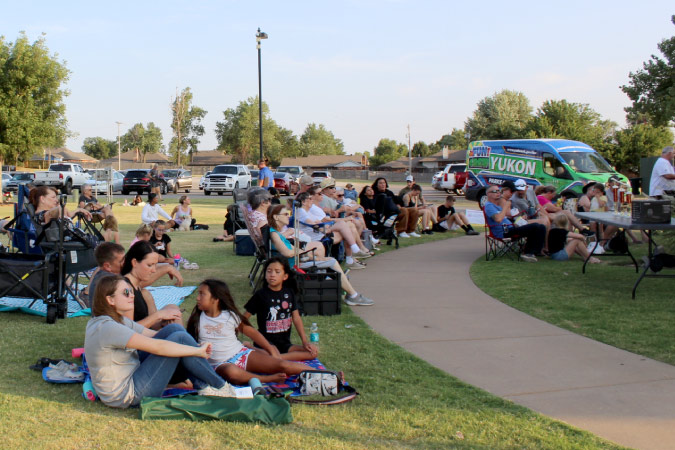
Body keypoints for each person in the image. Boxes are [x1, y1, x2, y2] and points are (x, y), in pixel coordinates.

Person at [85, 274, 232, 408]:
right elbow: (158, 347)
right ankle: (220, 387)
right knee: (178, 338)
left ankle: (205, 386)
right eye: (125, 293)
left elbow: (155, 335)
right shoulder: (109, 327)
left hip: (132, 375)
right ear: (110, 300)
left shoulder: (116, 320)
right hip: (126, 395)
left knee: (174, 330)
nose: (132, 296)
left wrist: (190, 346)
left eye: (130, 291)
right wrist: (197, 351)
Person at [185, 278, 312, 385]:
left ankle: (325, 375)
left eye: (202, 294)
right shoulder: (197, 319)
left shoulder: (230, 316)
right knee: (232, 373)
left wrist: (270, 348)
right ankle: (266, 379)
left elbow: (252, 332)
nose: (197, 298)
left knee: (283, 365)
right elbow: (188, 343)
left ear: (216, 298)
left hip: (241, 354)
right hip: (218, 364)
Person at [267, 204, 374, 306]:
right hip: (293, 266)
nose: (288, 216)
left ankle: (337, 281)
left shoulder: (276, 233)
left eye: (288, 213)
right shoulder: (274, 234)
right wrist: (303, 251)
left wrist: (305, 253)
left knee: (326, 258)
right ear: (276, 217)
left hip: (296, 261)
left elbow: (290, 250)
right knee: (332, 261)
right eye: (285, 214)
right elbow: (287, 253)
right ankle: (352, 295)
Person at [244, 257, 318, 361]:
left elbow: (296, 318)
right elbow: (243, 319)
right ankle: (253, 348)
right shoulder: (260, 295)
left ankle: (276, 358)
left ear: (285, 276)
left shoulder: (289, 293)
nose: (272, 274)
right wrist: (254, 335)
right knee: (266, 356)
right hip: (266, 345)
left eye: (277, 272)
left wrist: (305, 342)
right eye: (269, 271)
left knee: (312, 353)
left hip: (285, 345)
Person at [87, 242, 183, 310]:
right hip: (119, 331)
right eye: (121, 261)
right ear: (107, 266)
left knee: (171, 309)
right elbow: (136, 284)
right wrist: (166, 268)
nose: (125, 263)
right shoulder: (109, 281)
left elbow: (142, 269)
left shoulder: (106, 273)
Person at [296, 189, 370, 270]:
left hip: (321, 232)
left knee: (349, 227)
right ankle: (353, 253)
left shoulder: (307, 211)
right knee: (346, 226)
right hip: (317, 236)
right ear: (303, 202)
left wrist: (324, 224)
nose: (312, 200)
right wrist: (324, 226)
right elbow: (314, 224)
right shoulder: (301, 211)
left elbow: (318, 221)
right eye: (309, 199)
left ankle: (352, 255)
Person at [121, 241, 183, 329]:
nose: (154, 270)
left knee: (173, 309)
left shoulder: (136, 285)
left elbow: (151, 325)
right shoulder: (126, 288)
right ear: (134, 262)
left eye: (155, 265)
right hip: (137, 339)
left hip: (146, 334)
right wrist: (158, 315)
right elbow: (129, 330)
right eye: (150, 265)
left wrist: (163, 321)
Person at [484, 185, 546, 262]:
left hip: (511, 227)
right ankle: (527, 252)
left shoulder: (497, 206)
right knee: (535, 227)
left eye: (498, 191)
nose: (498, 193)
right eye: (495, 191)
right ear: (488, 194)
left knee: (541, 227)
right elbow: (498, 219)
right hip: (503, 232)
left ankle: (536, 251)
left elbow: (507, 216)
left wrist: (520, 219)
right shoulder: (488, 206)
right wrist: (506, 206)